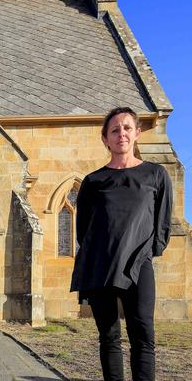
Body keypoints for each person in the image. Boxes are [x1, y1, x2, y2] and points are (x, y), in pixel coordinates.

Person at [70, 107, 172, 381]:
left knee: (143, 336)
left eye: (127, 128)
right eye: (114, 130)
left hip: (139, 267)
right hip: (101, 267)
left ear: (137, 133)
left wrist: (148, 253)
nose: (121, 134)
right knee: (109, 337)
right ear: (105, 139)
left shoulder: (156, 175)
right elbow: (84, 232)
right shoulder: (93, 182)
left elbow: (162, 224)